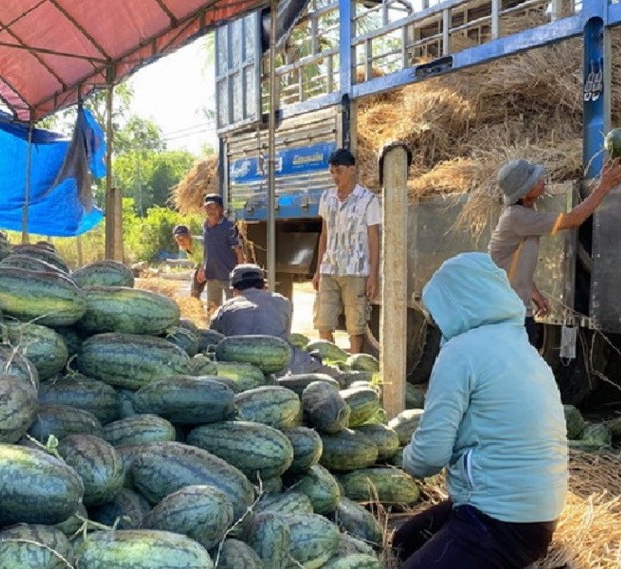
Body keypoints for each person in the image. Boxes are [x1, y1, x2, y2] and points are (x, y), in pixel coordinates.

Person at [392, 252, 568, 569]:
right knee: (404, 544)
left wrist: (399, 458)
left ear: (455, 305)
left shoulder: (461, 352)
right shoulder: (521, 345)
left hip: (499, 522)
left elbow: (429, 457)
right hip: (537, 516)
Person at [488, 158, 621, 348]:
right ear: (525, 193)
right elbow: (574, 219)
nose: (542, 179)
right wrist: (604, 186)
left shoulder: (521, 215)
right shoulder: (517, 217)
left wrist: (533, 292)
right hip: (508, 317)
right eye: (535, 180)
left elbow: (509, 263)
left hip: (515, 313)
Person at [312, 148, 380, 354]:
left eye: (338, 171)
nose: (335, 176)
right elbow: (324, 235)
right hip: (329, 269)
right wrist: (317, 270)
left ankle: (355, 365)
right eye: (332, 172)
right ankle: (328, 363)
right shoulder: (326, 198)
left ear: (352, 170)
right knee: (323, 321)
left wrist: (373, 276)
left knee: (355, 325)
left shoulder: (368, 199)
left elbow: (373, 238)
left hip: (356, 270)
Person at [211, 263, 324, 374]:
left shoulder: (223, 310)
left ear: (234, 290)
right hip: (282, 368)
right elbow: (285, 338)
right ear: (264, 286)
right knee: (314, 359)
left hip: (239, 371)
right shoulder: (283, 302)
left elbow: (214, 342)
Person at [198, 193, 246, 313]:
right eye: (207, 208)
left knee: (233, 309)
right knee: (212, 310)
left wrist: (240, 274)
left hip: (228, 276)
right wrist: (203, 268)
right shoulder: (205, 225)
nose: (210, 211)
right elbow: (207, 249)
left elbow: (239, 251)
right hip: (212, 275)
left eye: (214, 207)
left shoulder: (228, 226)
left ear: (221, 209)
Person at [173, 224, 205, 300]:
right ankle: (196, 305)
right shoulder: (182, 247)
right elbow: (198, 261)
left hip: (215, 263)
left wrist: (202, 269)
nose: (181, 240)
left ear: (189, 235)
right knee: (194, 288)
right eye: (178, 238)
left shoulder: (200, 243)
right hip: (202, 265)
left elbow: (210, 256)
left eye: (184, 237)